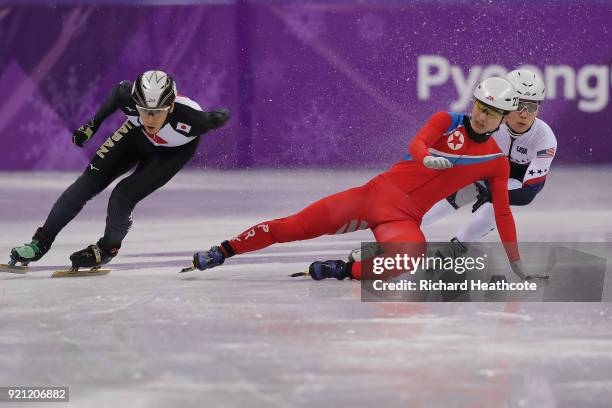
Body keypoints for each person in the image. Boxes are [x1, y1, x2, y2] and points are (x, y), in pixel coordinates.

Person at [187, 77, 539, 281]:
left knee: (410, 256)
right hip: (372, 196)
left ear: (503, 118)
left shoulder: (496, 161)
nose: (481, 116)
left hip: (402, 219)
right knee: (291, 227)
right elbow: (416, 143)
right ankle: (223, 250)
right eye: (480, 106)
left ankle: (342, 270)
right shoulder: (446, 120)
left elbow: (503, 213)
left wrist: (517, 262)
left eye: (491, 112)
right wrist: (427, 158)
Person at [8, 70, 229, 270]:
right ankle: (40, 243)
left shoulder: (194, 119)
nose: (149, 118)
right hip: (135, 137)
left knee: (122, 197)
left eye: (156, 112)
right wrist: (92, 126)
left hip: (172, 153)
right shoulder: (127, 95)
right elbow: (115, 94)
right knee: (85, 185)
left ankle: (106, 250)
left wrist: (220, 115)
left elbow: (219, 116)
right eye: (144, 110)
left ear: (170, 106)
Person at [413, 69, 557, 261]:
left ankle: (457, 247)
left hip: (517, 180)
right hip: (487, 170)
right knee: (455, 195)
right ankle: (404, 228)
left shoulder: (545, 138)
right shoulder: (488, 122)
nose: (524, 114)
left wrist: (490, 194)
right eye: (520, 105)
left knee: (497, 203)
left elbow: (528, 194)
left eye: (532, 107)